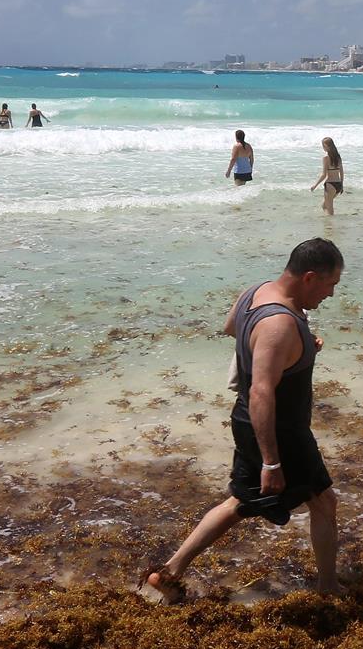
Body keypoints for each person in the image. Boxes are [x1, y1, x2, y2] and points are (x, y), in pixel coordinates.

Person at [145, 239, 345, 602]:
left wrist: (294, 345)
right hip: (278, 430)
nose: (330, 294)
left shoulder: (255, 292)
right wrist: (272, 462)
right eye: (330, 284)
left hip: (248, 422)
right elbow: (261, 392)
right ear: (309, 277)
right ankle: (329, 589)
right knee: (323, 502)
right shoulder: (280, 323)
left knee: (240, 502)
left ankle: (169, 573)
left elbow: (231, 328)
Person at [310, 136, 343, 214]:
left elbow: (324, 175)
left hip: (330, 185)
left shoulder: (326, 158)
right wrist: (341, 185)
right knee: (324, 206)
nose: (323, 148)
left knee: (330, 211)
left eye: (323, 146)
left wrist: (315, 185)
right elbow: (341, 172)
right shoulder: (338, 157)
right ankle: (328, 221)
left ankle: (331, 221)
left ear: (327, 147)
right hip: (338, 184)